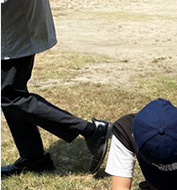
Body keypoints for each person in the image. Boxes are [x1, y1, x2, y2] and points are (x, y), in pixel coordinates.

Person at [1, 0, 112, 178]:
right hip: (15, 27)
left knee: (10, 96)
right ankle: (34, 158)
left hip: (15, 29)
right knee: (10, 95)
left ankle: (91, 131)